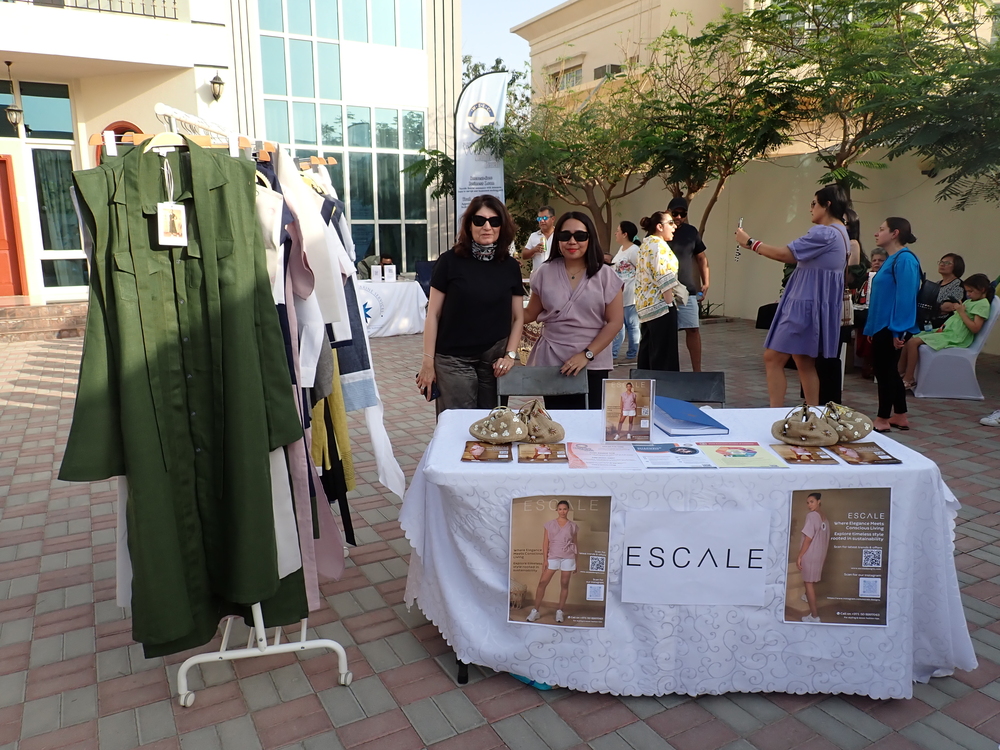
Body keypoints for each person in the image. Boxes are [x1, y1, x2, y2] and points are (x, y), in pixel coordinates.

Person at [735, 185, 850, 407]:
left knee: (773, 358)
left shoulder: (824, 233)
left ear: (827, 205)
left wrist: (751, 243)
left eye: (814, 203)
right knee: (804, 361)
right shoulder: (842, 233)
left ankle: (775, 413)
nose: (811, 208)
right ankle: (812, 413)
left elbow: (786, 255)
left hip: (804, 304)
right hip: (815, 303)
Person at [417, 195, 524, 415]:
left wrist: (510, 355)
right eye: (479, 220)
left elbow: (518, 317)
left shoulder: (510, 266)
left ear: (502, 226)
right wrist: (428, 362)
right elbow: (433, 314)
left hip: (494, 359)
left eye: (494, 221)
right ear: (469, 225)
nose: (487, 227)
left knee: (494, 423)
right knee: (458, 422)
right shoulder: (449, 261)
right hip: (453, 359)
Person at [524, 212, 624, 410]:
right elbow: (529, 314)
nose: (572, 241)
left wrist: (587, 355)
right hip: (552, 359)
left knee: (590, 421)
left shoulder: (605, 274)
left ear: (590, 238)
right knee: (558, 422)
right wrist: (497, 311)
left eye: (580, 236)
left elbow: (615, 322)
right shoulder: (544, 272)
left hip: (593, 361)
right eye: (565, 236)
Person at [862, 217, 920, 433]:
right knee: (888, 371)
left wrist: (898, 330)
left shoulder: (905, 260)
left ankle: (883, 418)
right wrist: (872, 327)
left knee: (884, 372)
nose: (877, 233)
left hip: (891, 326)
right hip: (882, 325)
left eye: (881, 229)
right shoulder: (892, 259)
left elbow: (905, 297)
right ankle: (900, 415)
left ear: (895, 233)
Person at [899, 274, 994, 389]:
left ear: (982, 290)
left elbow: (975, 328)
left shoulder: (982, 305)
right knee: (911, 338)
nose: (968, 294)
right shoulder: (971, 301)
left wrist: (961, 312)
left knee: (914, 343)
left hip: (956, 337)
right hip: (947, 332)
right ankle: (900, 372)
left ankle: (909, 378)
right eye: (967, 291)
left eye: (971, 291)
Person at [635, 212, 684, 371]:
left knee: (648, 353)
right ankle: (663, 387)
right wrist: (670, 304)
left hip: (646, 307)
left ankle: (645, 385)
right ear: (659, 227)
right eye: (670, 223)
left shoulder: (646, 244)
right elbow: (664, 277)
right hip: (661, 307)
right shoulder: (659, 246)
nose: (674, 226)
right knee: (664, 358)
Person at [667, 197, 710, 371]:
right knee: (666, 332)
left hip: (687, 288)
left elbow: (701, 257)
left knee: (693, 329)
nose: (678, 217)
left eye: (682, 214)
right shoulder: (659, 229)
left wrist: (706, 282)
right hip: (664, 289)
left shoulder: (691, 231)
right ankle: (668, 371)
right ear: (668, 212)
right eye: (675, 213)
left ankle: (697, 372)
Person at [526, 500, 579, 624]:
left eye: (565, 509)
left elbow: (576, 544)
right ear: (557, 510)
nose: (562, 511)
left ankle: (560, 611)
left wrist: (576, 562)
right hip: (553, 556)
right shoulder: (549, 525)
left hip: (568, 557)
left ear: (568, 510)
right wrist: (545, 560)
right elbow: (545, 543)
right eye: (560, 509)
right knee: (542, 582)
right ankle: (535, 611)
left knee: (564, 584)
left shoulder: (573, 526)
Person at [610, 221, 641, 364]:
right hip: (619, 295)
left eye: (618, 230)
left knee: (632, 325)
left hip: (631, 294)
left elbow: (642, 270)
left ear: (625, 234)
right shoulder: (621, 249)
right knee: (618, 325)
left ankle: (632, 354)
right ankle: (613, 354)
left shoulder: (634, 250)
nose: (615, 233)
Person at [797, 493, 830, 624]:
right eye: (808, 502)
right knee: (811, 580)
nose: (809, 505)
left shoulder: (811, 516)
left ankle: (814, 617)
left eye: (812, 502)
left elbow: (808, 538)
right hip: (820, 554)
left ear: (818, 501)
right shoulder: (824, 517)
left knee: (808, 583)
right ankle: (807, 595)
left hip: (810, 554)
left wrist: (800, 555)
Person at [854, 248, 887, 379]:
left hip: (879, 312)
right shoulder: (864, 278)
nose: (877, 263)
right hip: (862, 309)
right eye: (874, 260)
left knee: (870, 322)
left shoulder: (888, 278)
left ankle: (870, 361)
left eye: (881, 260)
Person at [930, 253, 966, 329]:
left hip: (943, 325)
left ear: (956, 266)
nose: (942, 265)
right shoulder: (937, 284)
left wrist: (931, 307)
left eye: (947, 263)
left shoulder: (958, 285)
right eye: (941, 262)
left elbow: (949, 307)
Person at [523, 205, 556, 280]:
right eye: (539, 218)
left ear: (553, 219)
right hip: (538, 278)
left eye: (545, 218)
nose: (542, 221)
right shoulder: (534, 236)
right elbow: (524, 255)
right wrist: (534, 250)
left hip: (556, 277)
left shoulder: (559, 235)